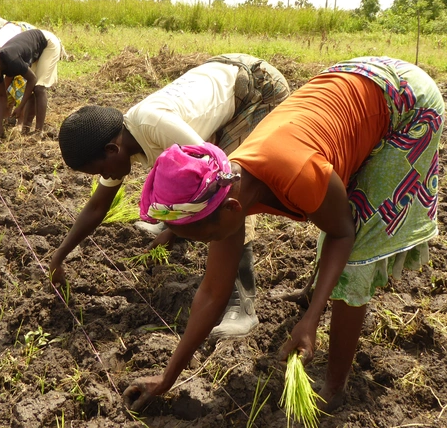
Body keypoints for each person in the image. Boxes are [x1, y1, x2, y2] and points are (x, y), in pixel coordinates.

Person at [123, 56, 444, 415]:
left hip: (403, 100)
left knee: (355, 252)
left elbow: (342, 234)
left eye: (206, 238)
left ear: (229, 210)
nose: (211, 246)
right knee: (339, 202)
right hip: (347, 87)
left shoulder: (297, 174)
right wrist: (167, 378)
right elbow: (213, 292)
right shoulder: (225, 190)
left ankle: (333, 389)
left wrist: (310, 322)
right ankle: (318, 294)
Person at [54, 54, 290, 340]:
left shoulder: (155, 125)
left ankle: (243, 302)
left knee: (230, 193)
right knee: (190, 174)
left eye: (99, 171)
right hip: (223, 81)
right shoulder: (122, 141)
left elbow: (215, 178)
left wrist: (175, 229)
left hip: (256, 89)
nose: (102, 178)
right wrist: (59, 257)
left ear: (111, 150)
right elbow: (97, 206)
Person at [0, 29, 62, 137]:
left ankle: (39, 132)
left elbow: (32, 79)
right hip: (32, 47)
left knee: (39, 88)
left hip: (47, 43)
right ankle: (26, 130)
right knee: (30, 92)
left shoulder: (11, 60)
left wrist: (20, 106)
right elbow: (1, 95)